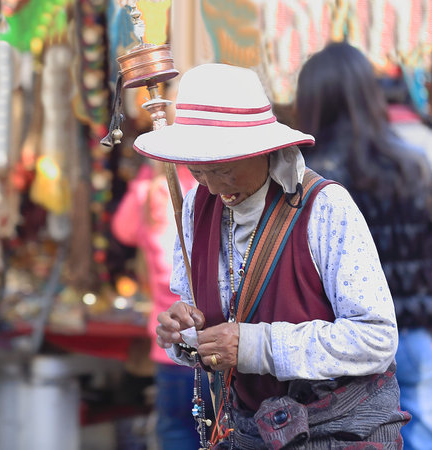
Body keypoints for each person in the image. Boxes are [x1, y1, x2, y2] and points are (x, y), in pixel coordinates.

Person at [133, 62, 410, 449]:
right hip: (249, 429)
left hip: (337, 429)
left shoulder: (325, 206)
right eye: (198, 172)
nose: (213, 187)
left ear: (261, 150)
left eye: (224, 170)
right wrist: (182, 333)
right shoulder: (197, 206)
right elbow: (197, 313)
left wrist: (253, 346)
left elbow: (376, 338)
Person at [295, 42, 432, 450]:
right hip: (414, 331)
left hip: (347, 343)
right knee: (422, 430)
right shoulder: (411, 164)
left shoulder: (311, 179)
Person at [111, 160, 212, 449]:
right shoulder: (207, 185)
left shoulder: (152, 190)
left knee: (177, 428)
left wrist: (145, 175)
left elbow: (123, 229)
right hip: (211, 337)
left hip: (171, 345)